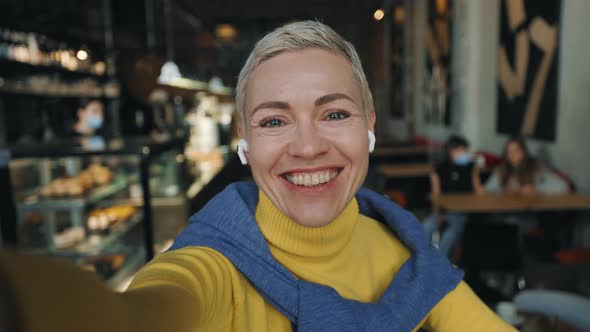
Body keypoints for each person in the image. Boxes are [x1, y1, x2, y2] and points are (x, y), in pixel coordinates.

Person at [0, 21, 515, 332]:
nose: (309, 147)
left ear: (369, 126)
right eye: (274, 121)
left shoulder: (407, 248)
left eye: (335, 113)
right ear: (243, 141)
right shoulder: (214, 268)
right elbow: (138, 314)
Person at [422, 135, 483, 257]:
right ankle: (421, 257)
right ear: (449, 151)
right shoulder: (438, 169)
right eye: (458, 150)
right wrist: (437, 212)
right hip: (443, 210)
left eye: (464, 150)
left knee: (451, 234)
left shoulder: (471, 168)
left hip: (462, 211)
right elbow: (436, 194)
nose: (462, 153)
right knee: (425, 227)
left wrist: (479, 163)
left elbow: (478, 191)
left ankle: (439, 263)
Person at [485, 136, 569, 194]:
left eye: (516, 151)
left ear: (524, 152)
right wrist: (503, 191)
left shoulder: (535, 167)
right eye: (509, 152)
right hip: (505, 213)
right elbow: (487, 190)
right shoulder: (501, 169)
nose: (512, 155)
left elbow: (562, 187)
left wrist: (535, 189)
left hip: (530, 212)